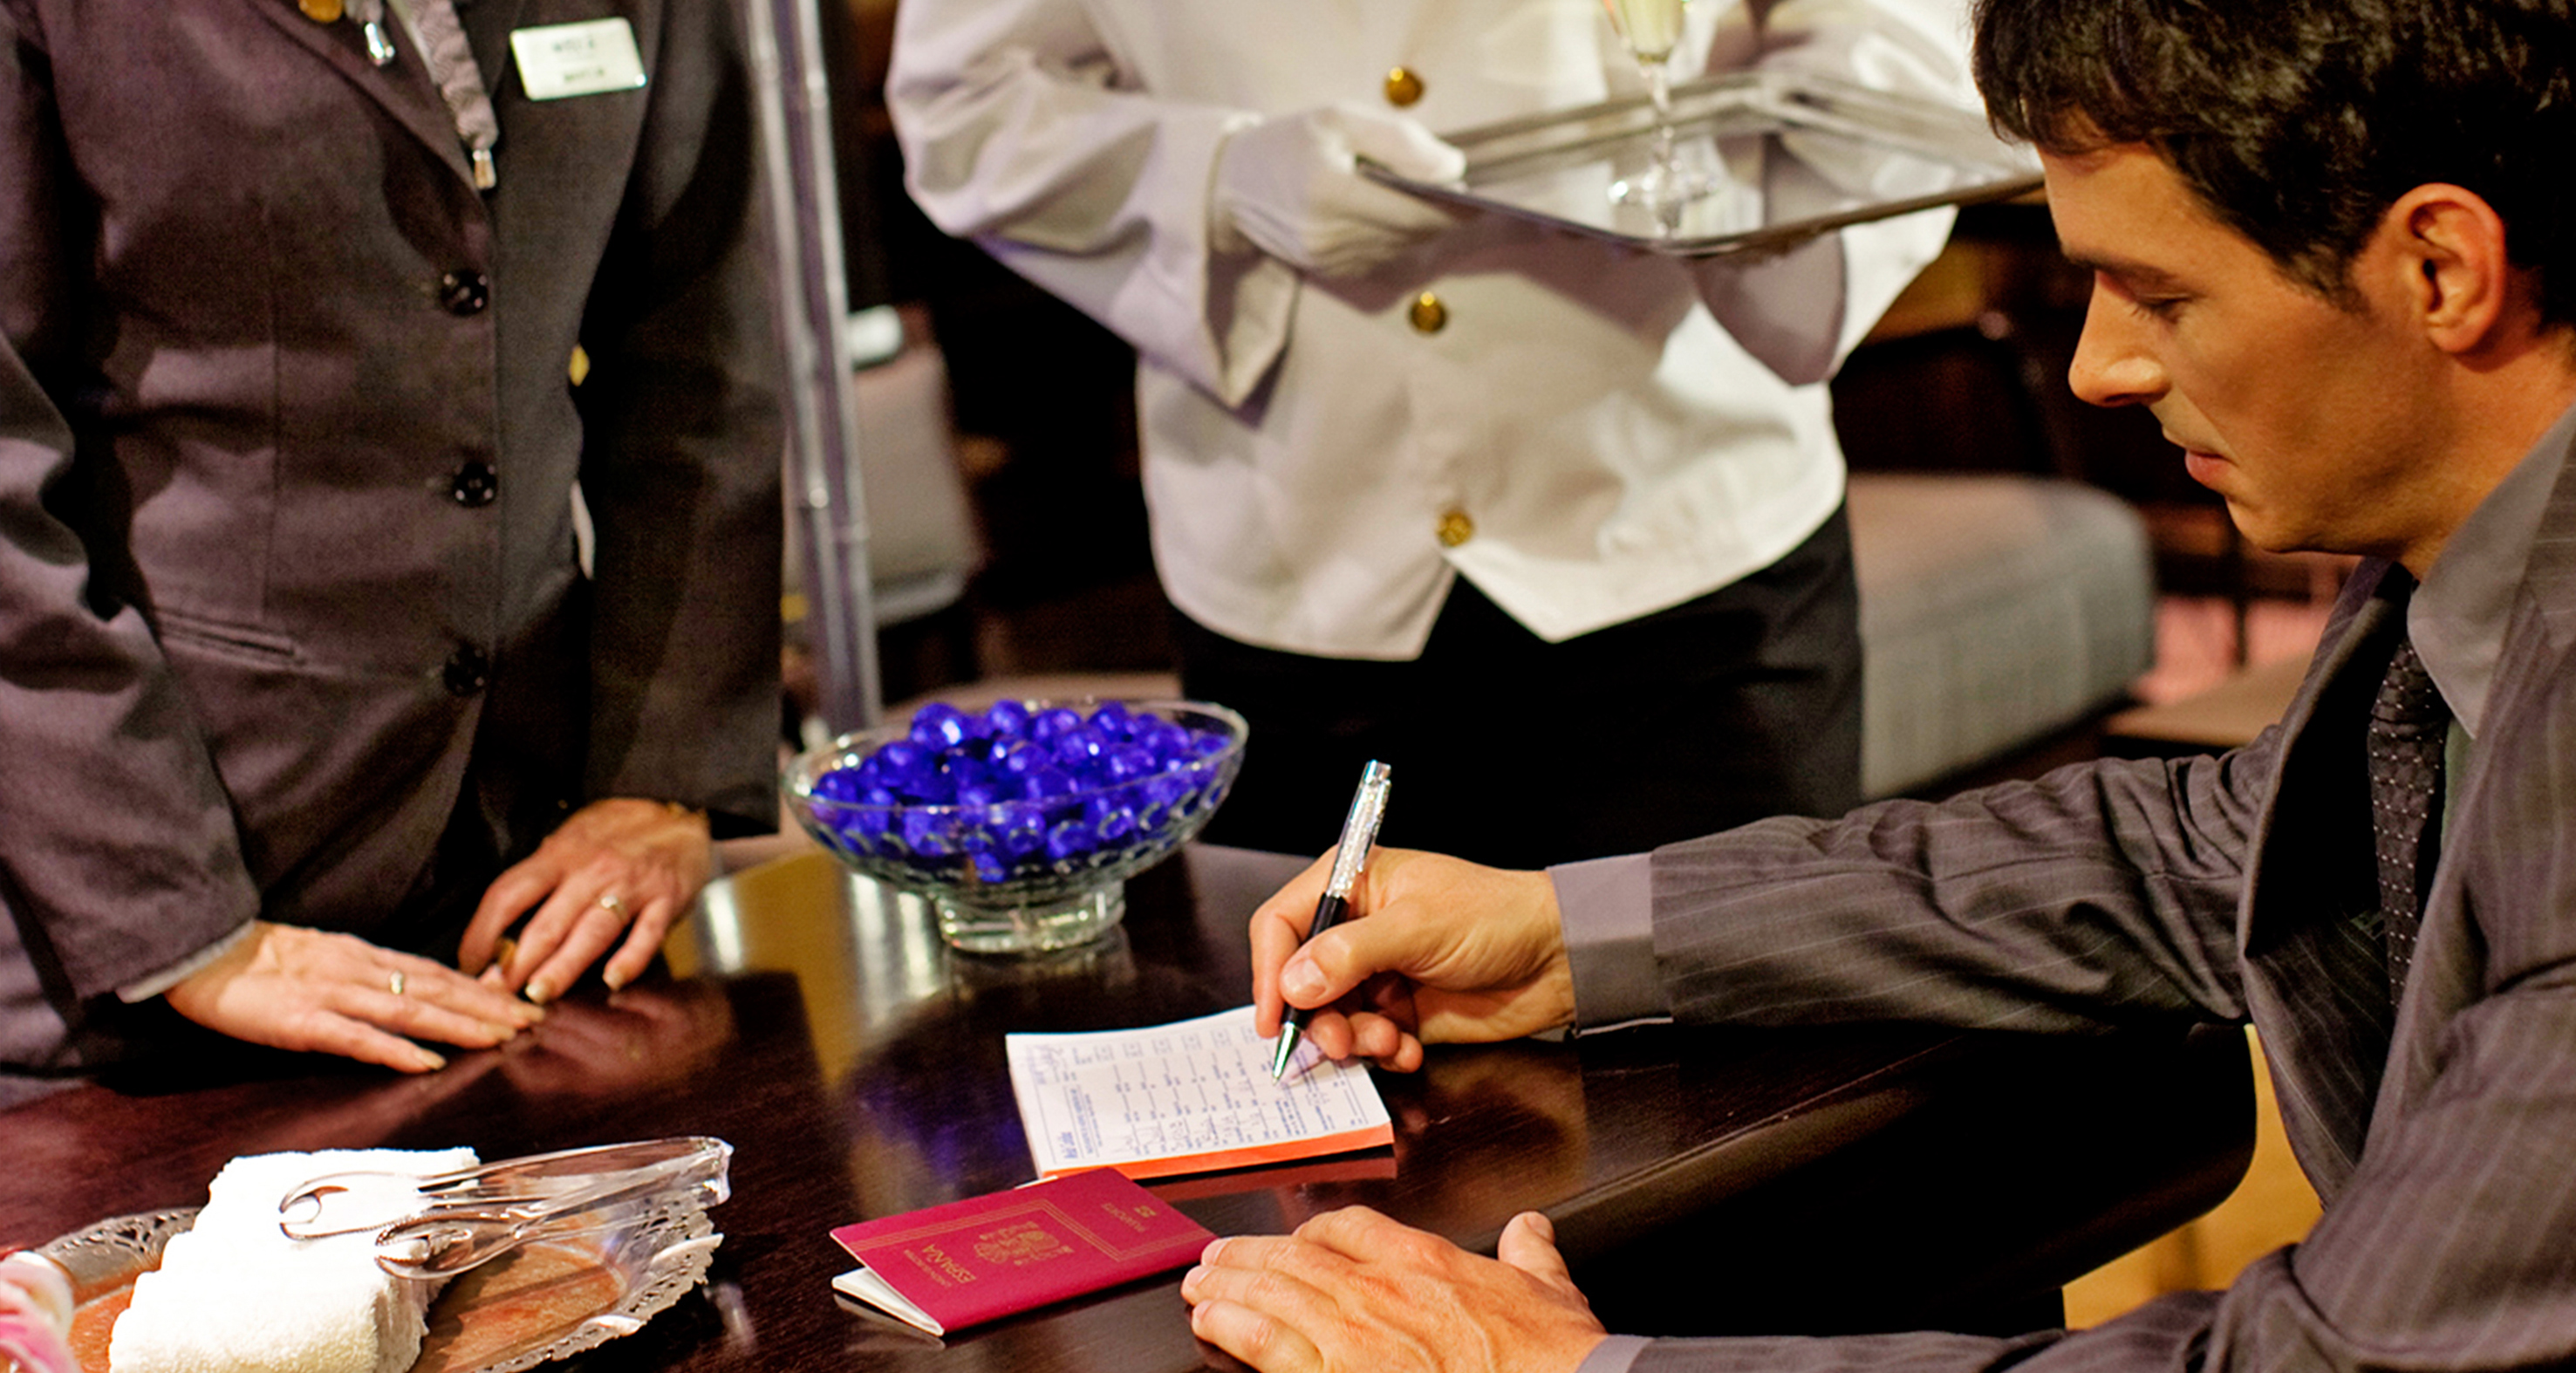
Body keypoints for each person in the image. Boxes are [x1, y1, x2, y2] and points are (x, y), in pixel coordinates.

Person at [1181, 0, 2576, 1368]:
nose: (2098, 366)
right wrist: (1562, 933)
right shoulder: (2473, 549)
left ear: (2441, 268)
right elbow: (2237, 842)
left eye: (2160, 293)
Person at [885, 0, 1981, 866]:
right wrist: (1214, 176)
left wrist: (1765, 184)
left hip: (1690, 540)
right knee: (1344, 1096)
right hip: (1298, 559)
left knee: (1751, 1079)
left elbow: (1889, 31)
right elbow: (964, 101)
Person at [0, 0, 782, 1083]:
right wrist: (172, 918)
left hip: (524, 904)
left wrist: (665, 775)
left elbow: (702, 363)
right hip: (146, 940)